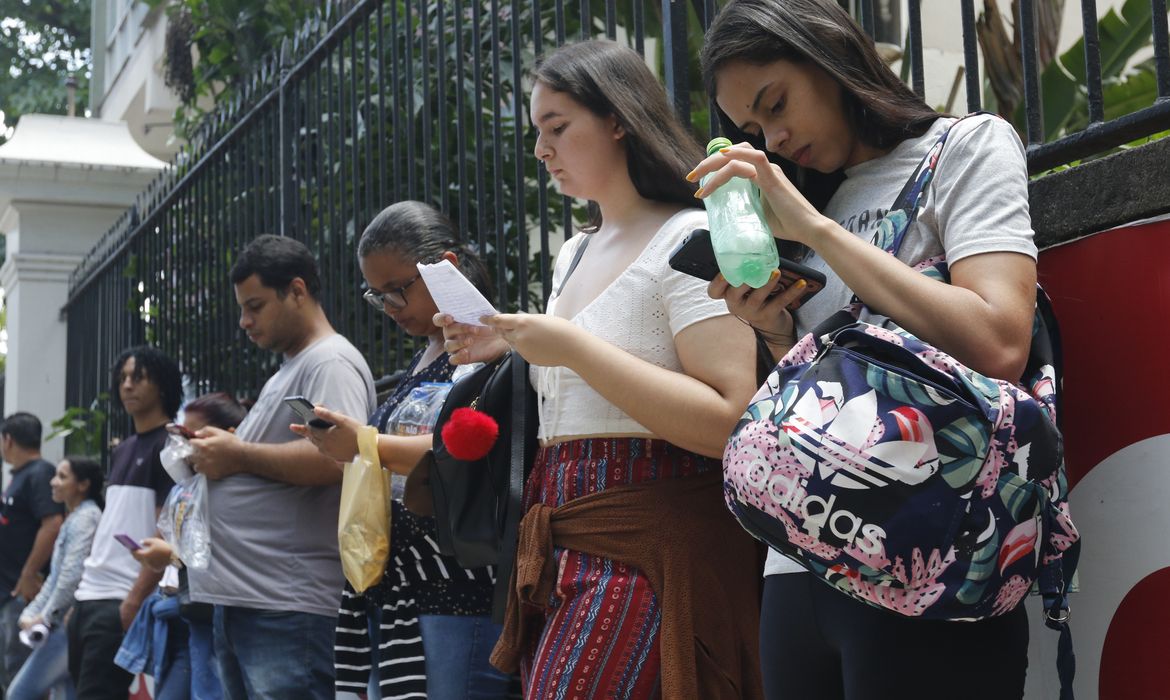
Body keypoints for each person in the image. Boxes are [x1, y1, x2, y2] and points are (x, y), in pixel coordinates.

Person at [691, 1, 1045, 698]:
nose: (775, 135)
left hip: (933, 541)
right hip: (800, 553)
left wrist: (816, 229)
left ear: (827, 52)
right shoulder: (806, 203)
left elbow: (1001, 341)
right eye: (753, 128)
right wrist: (773, 331)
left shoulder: (963, 147)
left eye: (776, 103)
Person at [437, 40, 764, 699]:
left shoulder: (690, 236)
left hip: (649, 540)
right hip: (558, 542)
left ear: (618, 117)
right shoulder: (574, 255)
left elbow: (733, 419)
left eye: (557, 127)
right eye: (537, 132)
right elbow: (589, 373)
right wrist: (508, 342)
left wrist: (571, 348)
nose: (541, 150)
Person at [294, 200, 512, 700]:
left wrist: (365, 443)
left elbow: (466, 452)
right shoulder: (428, 354)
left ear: (447, 267)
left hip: (462, 587)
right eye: (379, 296)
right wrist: (350, 444)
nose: (391, 308)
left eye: (398, 290)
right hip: (405, 591)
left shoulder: (492, 345)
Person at [186, 234, 376, 699]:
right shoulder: (294, 366)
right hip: (256, 601)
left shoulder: (330, 362)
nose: (245, 321)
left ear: (296, 290)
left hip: (289, 607)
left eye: (255, 305)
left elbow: (338, 457)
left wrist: (237, 453)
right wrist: (229, 447)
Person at [71, 346, 182, 700]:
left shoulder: (170, 445)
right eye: (122, 378)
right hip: (88, 597)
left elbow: (166, 529)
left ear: (162, 385)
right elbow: (111, 525)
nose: (127, 385)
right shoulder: (122, 449)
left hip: (121, 597)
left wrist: (134, 600)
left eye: (138, 377)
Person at [126, 392, 248, 700]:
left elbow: (223, 551)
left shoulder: (238, 486)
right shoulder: (189, 487)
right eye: (178, 435)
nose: (180, 447)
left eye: (189, 436)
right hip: (192, 613)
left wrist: (168, 554)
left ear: (229, 436)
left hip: (226, 616)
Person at [7, 456, 105, 700]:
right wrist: (33, 614)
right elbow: (57, 577)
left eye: (62, 477)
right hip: (65, 623)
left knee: (19, 693)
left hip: (68, 624)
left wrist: (45, 616)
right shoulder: (77, 516)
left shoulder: (86, 518)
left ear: (83, 485)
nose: (53, 482)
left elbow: (71, 576)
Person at [0, 412, 65, 692]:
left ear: (8, 440)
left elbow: (52, 524)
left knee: (21, 674)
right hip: (11, 592)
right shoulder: (20, 477)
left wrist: (28, 574)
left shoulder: (39, 473)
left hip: (24, 593)